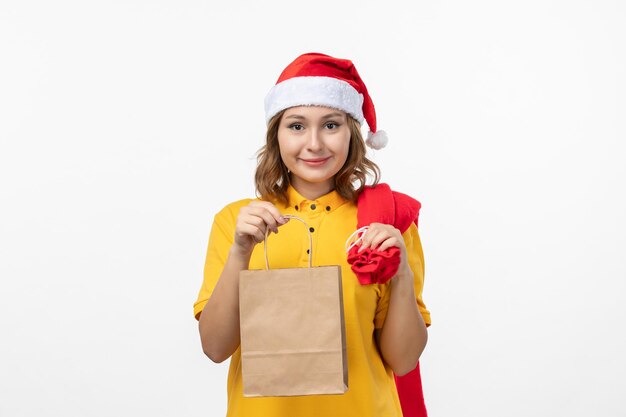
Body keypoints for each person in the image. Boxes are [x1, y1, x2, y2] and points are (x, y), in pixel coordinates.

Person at [194, 52, 431, 417]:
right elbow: (214, 348)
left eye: (331, 125)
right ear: (277, 135)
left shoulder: (388, 224)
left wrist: (400, 273)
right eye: (297, 126)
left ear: (352, 133)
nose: (315, 143)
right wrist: (241, 252)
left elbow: (402, 362)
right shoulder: (236, 222)